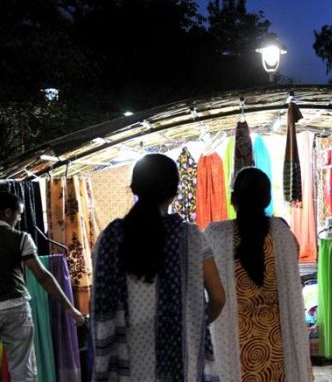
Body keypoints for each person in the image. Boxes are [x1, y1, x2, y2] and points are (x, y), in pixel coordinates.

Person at [92, 154, 226, 381]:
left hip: (128, 363)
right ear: (174, 192)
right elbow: (218, 298)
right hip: (181, 361)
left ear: (134, 188)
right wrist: (193, 322)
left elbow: (100, 302)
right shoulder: (191, 238)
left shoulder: (109, 239)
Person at [206, 168, 313, 381]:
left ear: (232, 198)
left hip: (234, 349)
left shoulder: (215, 236)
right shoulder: (283, 235)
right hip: (278, 349)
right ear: (267, 200)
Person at [0, 192, 85, 381]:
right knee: (23, 369)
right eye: (19, 214)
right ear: (7, 213)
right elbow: (43, 276)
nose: (20, 218)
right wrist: (71, 309)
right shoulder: (20, 238)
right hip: (15, 307)